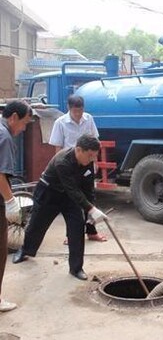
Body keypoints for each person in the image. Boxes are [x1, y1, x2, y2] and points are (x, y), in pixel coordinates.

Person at [12, 134, 108, 281]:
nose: (92, 160)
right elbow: (72, 189)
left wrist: (91, 207)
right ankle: (25, 250)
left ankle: (76, 268)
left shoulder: (88, 160)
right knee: (37, 225)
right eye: (90, 156)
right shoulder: (62, 161)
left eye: (95, 156)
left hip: (70, 198)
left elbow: (88, 187)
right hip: (49, 193)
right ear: (79, 150)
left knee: (77, 228)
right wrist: (91, 209)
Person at [49, 95, 107, 243]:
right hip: (69, 167)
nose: (78, 114)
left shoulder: (89, 119)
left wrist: (95, 161)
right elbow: (58, 148)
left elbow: (95, 141)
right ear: (69, 109)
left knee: (90, 196)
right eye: (75, 111)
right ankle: (72, 235)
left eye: (80, 111)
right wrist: (60, 170)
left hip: (87, 165)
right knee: (72, 200)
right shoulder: (60, 123)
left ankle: (92, 232)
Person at [0, 100, 33, 312]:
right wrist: (11, 201)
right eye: (24, 124)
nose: (23, 129)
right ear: (13, 117)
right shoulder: (4, 137)